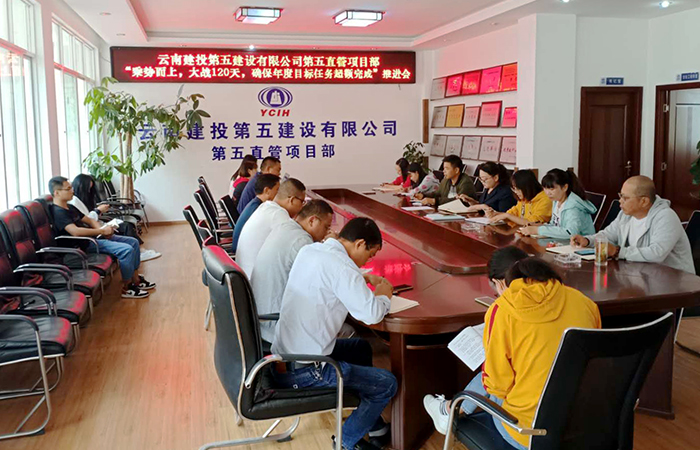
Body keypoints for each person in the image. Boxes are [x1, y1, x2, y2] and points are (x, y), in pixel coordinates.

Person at [423, 249, 601, 450]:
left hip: (528, 433)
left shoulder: (503, 310)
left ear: (500, 283)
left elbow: (497, 386)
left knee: (492, 374)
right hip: (582, 423)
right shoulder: (584, 302)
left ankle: (450, 410)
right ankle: (449, 411)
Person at [272, 217, 397, 450]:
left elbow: (329, 279)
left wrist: (359, 277)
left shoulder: (312, 250)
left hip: (284, 357)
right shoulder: (342, 268)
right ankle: (345, 442)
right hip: (307, 370)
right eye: (370, 255)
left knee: (360, 348)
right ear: (359, 244)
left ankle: (372, 423)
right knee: (387, 384)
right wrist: (383, 295)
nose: (368, 261)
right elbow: (372, 314)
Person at [48, 176, 156, 299]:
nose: (72, 191)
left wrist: (102, 231)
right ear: (56, 193)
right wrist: (101, 231)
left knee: (133, 242)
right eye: (68, 189)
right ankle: (127, 287)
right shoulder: (58, 212)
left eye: (71, 187)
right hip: (83, 245)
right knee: (126, 250)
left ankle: (135, 279)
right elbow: (75, 232)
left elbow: (89, 220)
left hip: (94, 238)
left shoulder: (70, 207)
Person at [250, 199, 334, 344]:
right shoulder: (301, 241)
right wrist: (332, 246)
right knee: (345, 330)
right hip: (275, 328)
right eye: (326, 227)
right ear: (312, 220)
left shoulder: (286, 227)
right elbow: (321, 284)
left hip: (261, 320)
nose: (327, 232)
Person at [571, 176, 694, 273]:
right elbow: (608, 235)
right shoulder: (626, 214)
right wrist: (587, 240)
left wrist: (618, 252)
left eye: (625, 198)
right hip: (641, 276)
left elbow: (656, 254)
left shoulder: (665, 217)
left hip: (673, 283)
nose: (620, 201)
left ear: (644, 201)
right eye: (620, 196)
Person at [70, 174, 161, 261]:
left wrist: (99, 213)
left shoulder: (84, 199)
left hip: (98, 225)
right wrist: (98, 211)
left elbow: (90, 218)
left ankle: (140, 251)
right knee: (126, 226)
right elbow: (87, 220)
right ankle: (140, 252)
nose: (89, 192)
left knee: (126, 226)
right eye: (88, 189)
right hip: (93, 231)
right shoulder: (74, 202)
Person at [236, 178, 306, 277]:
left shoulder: (266, 207)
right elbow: (300, 247)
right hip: (253, 278)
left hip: (244, 274)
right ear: (292, 200)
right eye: (302, 202)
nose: (302, 207)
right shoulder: (278, 214)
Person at [519, 169, 596, 238]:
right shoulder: (556, 201)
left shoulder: (573, 207)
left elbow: (571, 232)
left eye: (552, 189)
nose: (548, 193)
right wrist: (539, 226)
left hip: (581, 245)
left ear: (565, 187)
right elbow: (555, 225)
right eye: (545, 188)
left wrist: (538, 230)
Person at [231, 174, 280, 253]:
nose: (278, 193)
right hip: (241, 251)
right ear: (267, 190)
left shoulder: (255, 203)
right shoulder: (258, 209)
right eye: (277, 189)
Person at [487, 169, 552, 226]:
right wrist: (496, 214)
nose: (516, 192)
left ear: (527, 187)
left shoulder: (545, 200)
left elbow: (533, 223)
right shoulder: (524, 198)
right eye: (514, 189)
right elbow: (512, 214)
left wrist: (507, 216)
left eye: (517, 189)